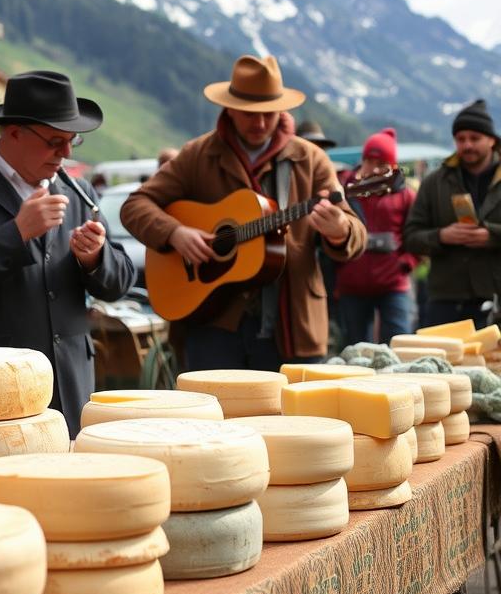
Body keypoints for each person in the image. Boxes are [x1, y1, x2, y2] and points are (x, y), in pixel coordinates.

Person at [121, 55, 366, 370]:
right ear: (229, 107)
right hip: (212, 325)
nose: (260, 124)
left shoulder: (311, 160)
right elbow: (135, 205)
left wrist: (339, 230)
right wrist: (175, 233)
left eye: (269, 114)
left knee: (291, 419)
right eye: (250, 114)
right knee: (211, 416)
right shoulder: (198, 155)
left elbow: (355, 234)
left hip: (291, 325)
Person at [0, 71, 135, 436]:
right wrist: (17, 233)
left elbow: (119, 282)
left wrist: (96, 258)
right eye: (55, 141)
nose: (66, 153)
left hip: (72, 385)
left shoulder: (79, 190)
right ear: (14, 132)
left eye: (72, 141)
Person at [404, 99, 501, 327]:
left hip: (496, 296)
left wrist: (492, 236)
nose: (467, 145)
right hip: (445, 301)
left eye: (475, 138)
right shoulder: (434, 182)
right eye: (460, 139)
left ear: (491, 140)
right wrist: (441, 236)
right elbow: (411, 238)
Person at [335, 128, 418, 344]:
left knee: (399, 345)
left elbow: (417, 232)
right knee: (355, 351)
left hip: (393, 284)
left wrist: (406, 263)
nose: (374, 168)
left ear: (393, 167)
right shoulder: (344, 192)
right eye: (369, 161)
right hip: (351, 285)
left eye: (382, 163)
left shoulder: (406, 195)